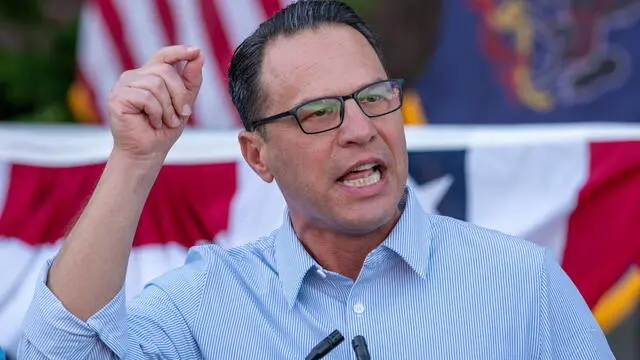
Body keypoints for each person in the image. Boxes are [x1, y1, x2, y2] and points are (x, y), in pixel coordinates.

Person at [18, 1, 614, 359]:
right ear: (258, 157)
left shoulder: (521, 283)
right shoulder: (206, 303)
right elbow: (62, 350)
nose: (360, 129)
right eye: (319, 113)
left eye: (375, 98)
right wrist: (134, 160)